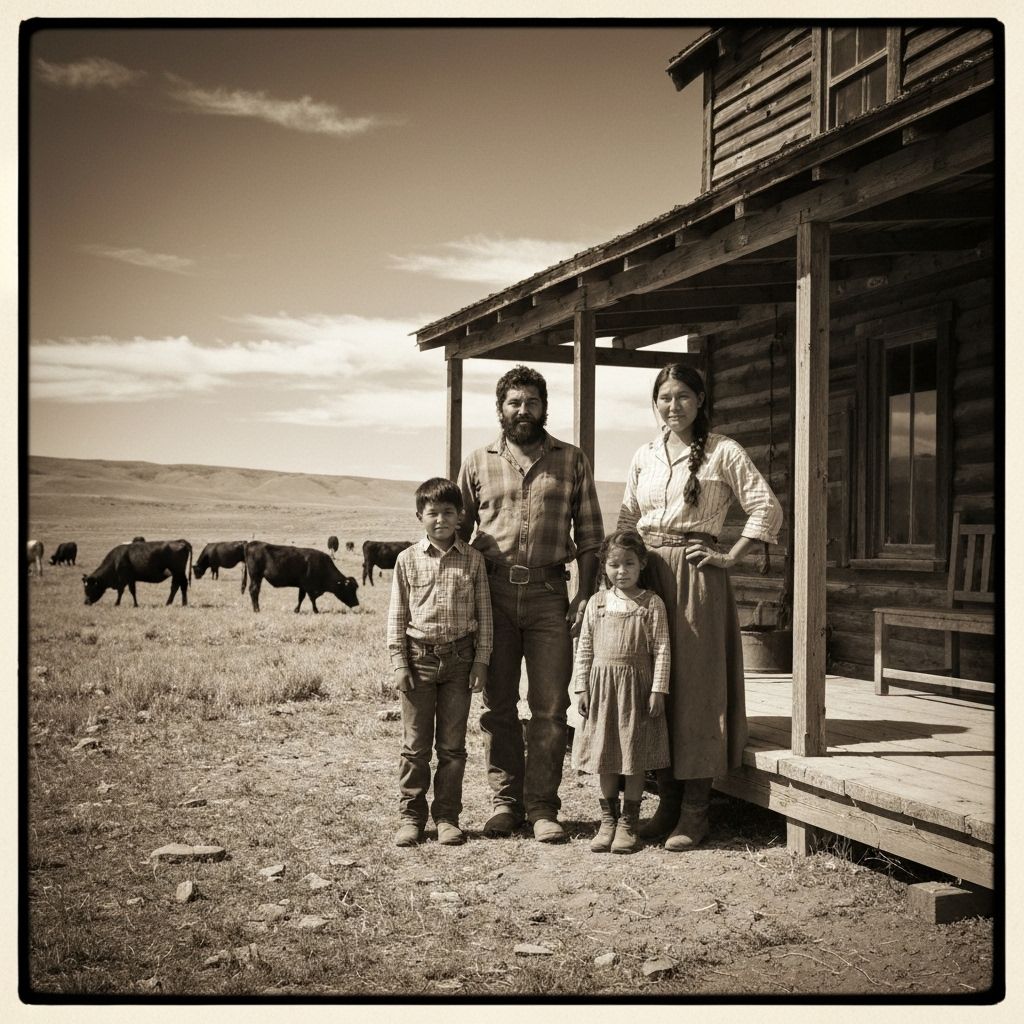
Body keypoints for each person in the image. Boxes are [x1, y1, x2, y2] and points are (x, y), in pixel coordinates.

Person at [617, 364, 782, 851]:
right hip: (648, 575)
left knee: (696, 687)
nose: (673, 406)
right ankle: (665, 802)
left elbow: (765, 507)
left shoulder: (722, 450)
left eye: (683, 396)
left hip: (696, 576)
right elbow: (629, 516)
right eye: (665, 397)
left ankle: (695, 809)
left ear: (701, 398)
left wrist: (729, 556)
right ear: (655, 402)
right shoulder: (644, 454)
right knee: (655, 683)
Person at [458, 365, 604, 843]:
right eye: (514, 403)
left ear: (545, 407)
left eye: (532, 402)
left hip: (548, 597)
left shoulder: (571, 459)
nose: (523, 411)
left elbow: (589, 536)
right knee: (497, 705)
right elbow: (457, 534)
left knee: (550, 708)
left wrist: (584, 592)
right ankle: (505, 804)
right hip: (492, 595)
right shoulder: (477, 461)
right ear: (500, 409)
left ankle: (543, 808)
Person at [387, 477, 493, 847]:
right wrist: (400, 662)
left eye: (449, 512)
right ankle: (411, 817)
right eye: (432, 513)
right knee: (415, 746)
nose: (441, 520)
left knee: (452, 747)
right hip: (418, 660)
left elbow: (485, 615)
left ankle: (447, 817)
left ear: (461, 516)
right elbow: (397, 616)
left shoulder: (473, 560)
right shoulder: (406, 560)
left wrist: (481, 661)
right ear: (420, 516)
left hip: (460, 661)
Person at [571, 529, 670, 854]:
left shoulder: (651, 603)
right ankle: (607, 821)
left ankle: (629, 823)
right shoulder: (596, 604)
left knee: (633, 755)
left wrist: (658, 689)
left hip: (636, 690)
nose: (622, 571)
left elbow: (662, 649)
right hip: (601, 689)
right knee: (605, 756)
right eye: (614, 564)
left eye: (629, 563)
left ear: (641, 564)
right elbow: (584, 647)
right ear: (604, 567)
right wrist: (581, 686)